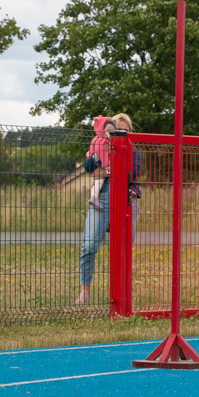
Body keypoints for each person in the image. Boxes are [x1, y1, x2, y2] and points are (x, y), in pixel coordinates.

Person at [75, 112, 140, 304]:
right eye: (116, 131)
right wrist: (105, 169)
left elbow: (133, 171)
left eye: (124, 131)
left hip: (127, 199)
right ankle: (84, 293)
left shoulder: (133, 150)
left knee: (124, 248)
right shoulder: (99, 145)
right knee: (89, 246)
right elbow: (89, 166)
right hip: (101, 198)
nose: (120, 134)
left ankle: (122, 295)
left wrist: (106, 170)